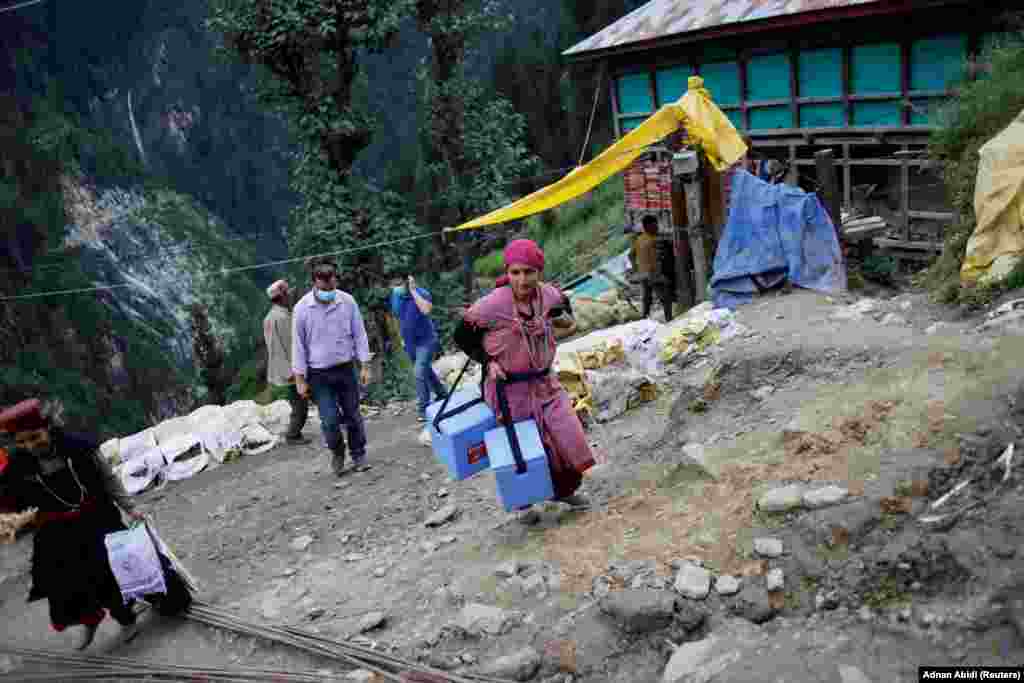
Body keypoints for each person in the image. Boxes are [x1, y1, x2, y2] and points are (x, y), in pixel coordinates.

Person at [460, 239, 595, 512]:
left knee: (564, 437)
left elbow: (562, 305)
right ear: (508, 273)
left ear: (539, 272)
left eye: (529, 272)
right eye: (516, 272)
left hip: (545, 383)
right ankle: (524, 504)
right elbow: (462, 335)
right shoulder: (491, 305)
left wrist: (558, 321)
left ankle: (565, 492)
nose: (522, 279)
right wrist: (489, 362)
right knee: (520, 448)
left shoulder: (547, 295)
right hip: (509, 390)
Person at [0, 399, 145, 650]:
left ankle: (126, 619)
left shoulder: (80, 448)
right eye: (22, 442)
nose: (30, 446)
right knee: (68, 587)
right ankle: (90, 620)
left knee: (108, 577)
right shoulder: (18, 466)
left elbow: (108, 479)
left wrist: (130, 508)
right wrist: (12, 520)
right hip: (57, 533)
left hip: (97, 521)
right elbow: (9, 501)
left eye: (35, 437)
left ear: (49, 427)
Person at [292, 258, 372, 476]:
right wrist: (300, 379)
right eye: (324, 286)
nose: (329, 289)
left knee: (353, 415)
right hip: (318, 374)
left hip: (346, 368)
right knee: (329, 419)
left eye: (332, 284)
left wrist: (365, 365)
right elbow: (298, 346)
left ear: (335, 281)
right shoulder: (302, 309)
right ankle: (337, 452)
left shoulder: (347, 302)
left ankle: (359, 454)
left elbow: (359, 334)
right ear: (315, 283)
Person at [388, 275, 448, 423]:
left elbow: (426, 310)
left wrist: (414, 292)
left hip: (426, 340)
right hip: (409, 342)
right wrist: (400, 338)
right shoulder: (396, 296)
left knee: (419, 372)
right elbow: (396, 316)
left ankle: (424, 409)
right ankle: (442, 393)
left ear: (408, 283)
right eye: (394, 285)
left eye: (399, 285)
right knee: (425, 370)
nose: (396, 288)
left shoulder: (423, 293)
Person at [263, 279, 311, 445]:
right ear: (282, 296)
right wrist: (288, 373)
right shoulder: (275, 318)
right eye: (287, 292)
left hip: (298, 367)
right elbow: (275, 349)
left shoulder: (284, 314)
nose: (290, 295)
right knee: (300, 405)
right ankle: (292, 435)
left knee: (304, 400)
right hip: (291, 371)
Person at [630, 215, 673, 321]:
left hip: (643, 274)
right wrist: (659, 275)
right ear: (647, 227)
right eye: (655, 225)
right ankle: (669, 319)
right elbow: (654, 260)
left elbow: (631, 255)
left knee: (647, 299)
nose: (657, 227)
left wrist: (636, 268)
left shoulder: (639, 239)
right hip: (652, 273)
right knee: (666, 297)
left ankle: (643, 319)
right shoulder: (653, 240)